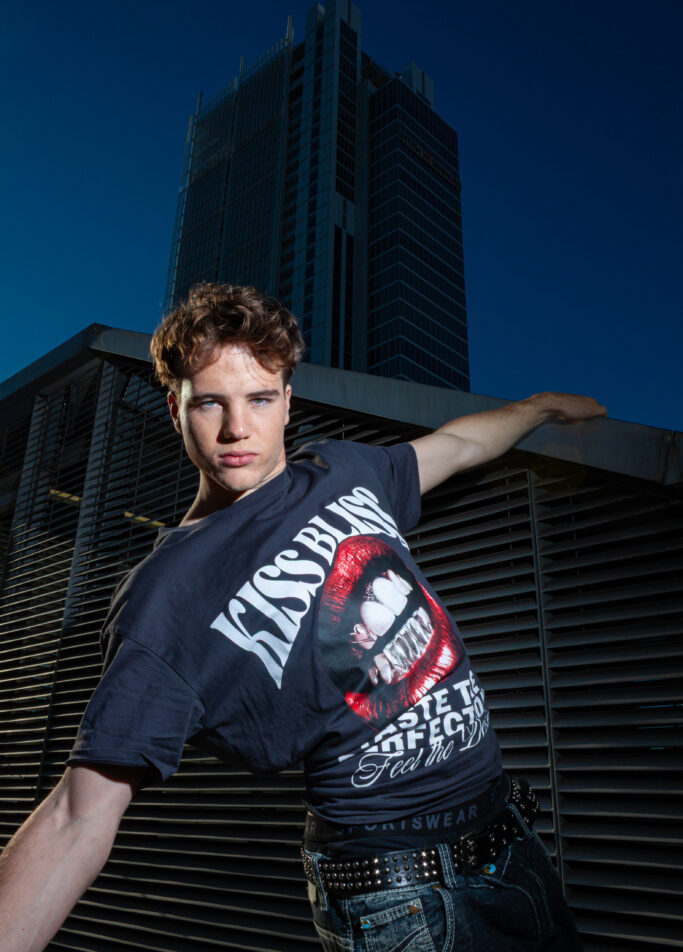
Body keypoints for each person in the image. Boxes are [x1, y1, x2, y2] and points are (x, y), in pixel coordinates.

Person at [0, 283, 606, 952]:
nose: (236, 429)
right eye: (209, 402)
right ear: (176, 410)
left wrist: (537, 407)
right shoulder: (166, 598)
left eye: (259, 399)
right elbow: (76, 817)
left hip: (511, 839)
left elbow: (458, 445)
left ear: (288, 401)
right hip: (401, 898)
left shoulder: (341, 469)